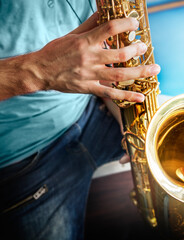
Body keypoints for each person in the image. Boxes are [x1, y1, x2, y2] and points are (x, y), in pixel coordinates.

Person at [0, 1, 160, 240]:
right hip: (22, 158)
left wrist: (135, 120)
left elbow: (104, 59)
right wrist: (37, 71)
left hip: (92, 108)